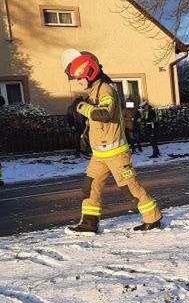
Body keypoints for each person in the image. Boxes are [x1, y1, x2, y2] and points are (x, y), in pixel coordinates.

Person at [63, 52, 162, 235]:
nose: (78, 82)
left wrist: (81, 107)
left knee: (129, 187)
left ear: (90, 74)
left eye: (80, 78)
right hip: (100, 155)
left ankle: (153, 218)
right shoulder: (93, 92)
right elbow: (94, 120)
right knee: (90, 187)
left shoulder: (106, 90)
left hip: (116, 153)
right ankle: (89, 224)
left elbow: (105, 114)